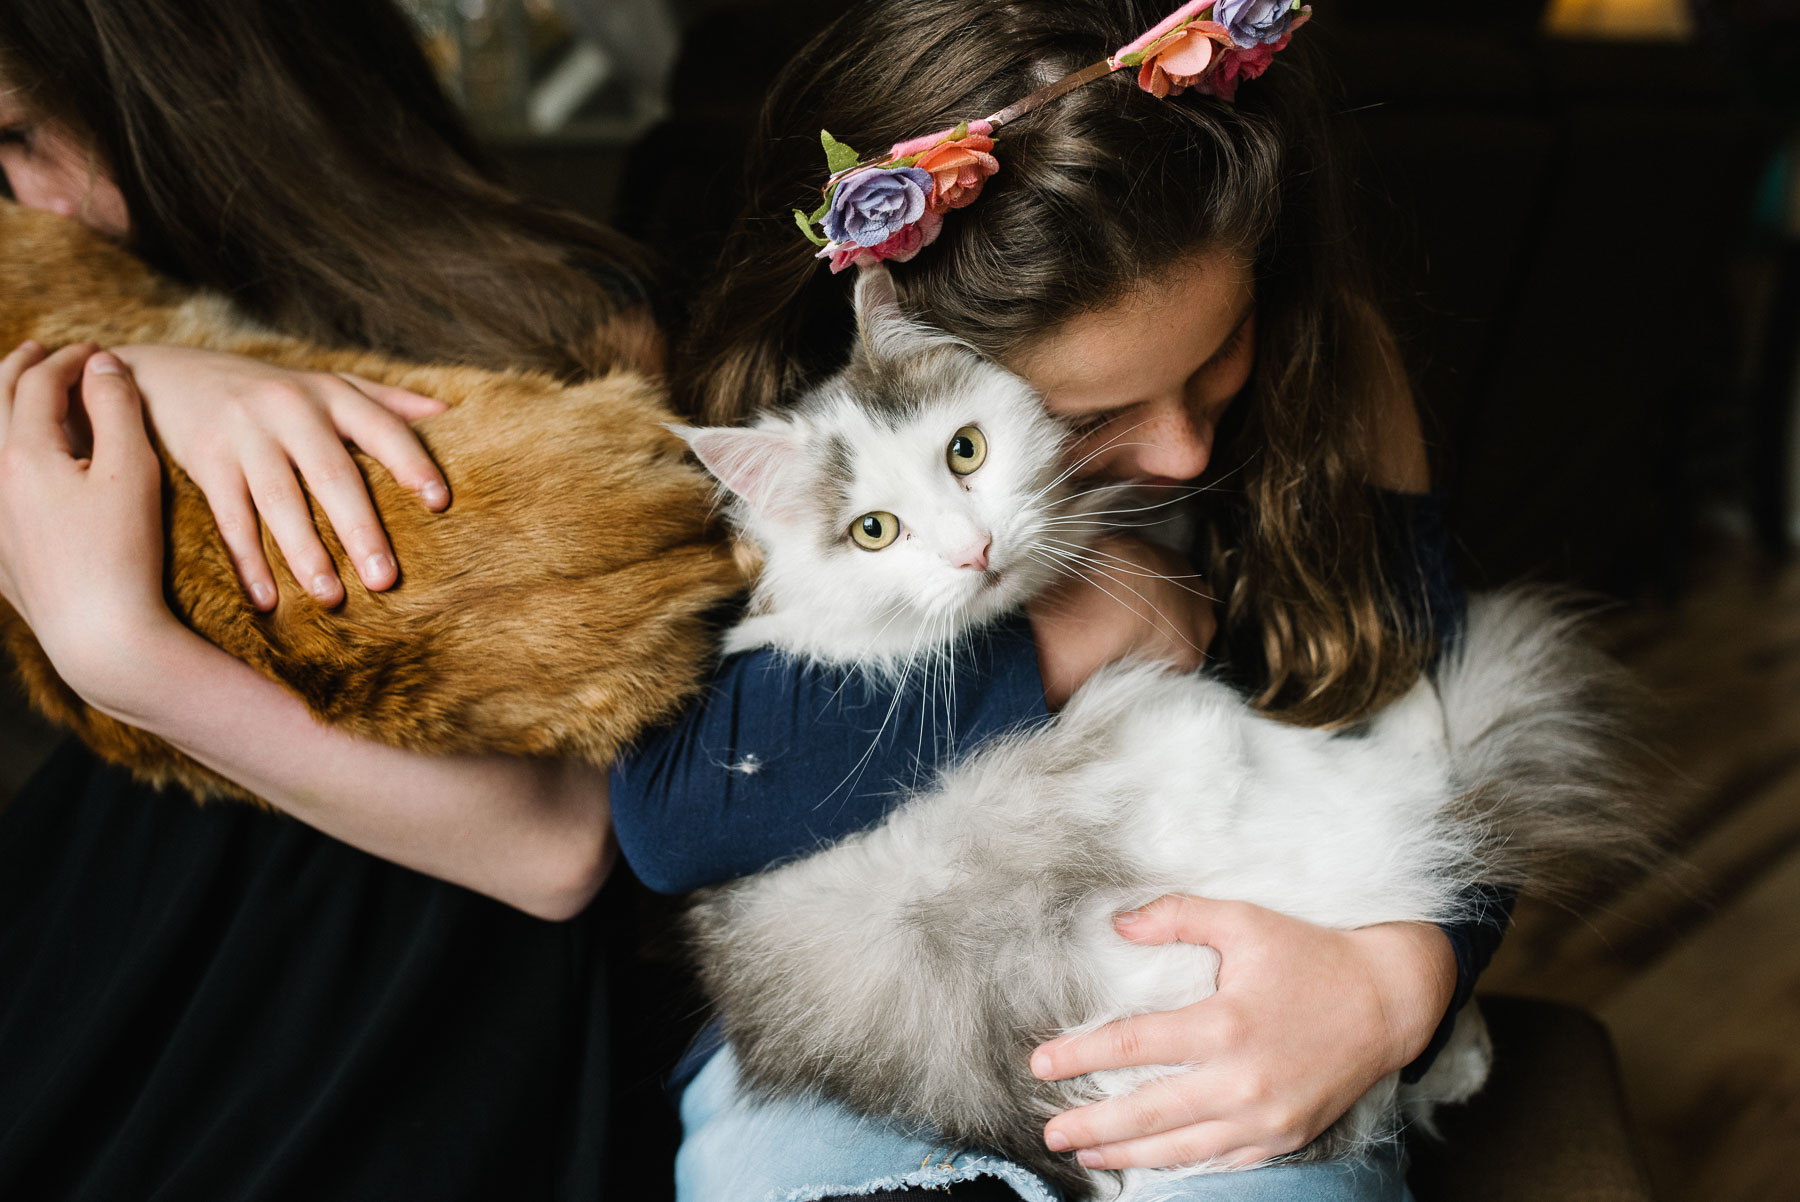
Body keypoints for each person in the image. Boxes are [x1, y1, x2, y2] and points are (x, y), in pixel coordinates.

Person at [606, 1, 1511, 1198]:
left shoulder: (1335, 370)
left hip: (1236, 958)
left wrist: (1403, 982)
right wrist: (1076, 623)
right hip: (873, 1024)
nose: (1184, 452)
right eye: (1090, 419)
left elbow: (1439, 726)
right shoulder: (804, 456)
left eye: (1217, 351)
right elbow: (671, 817)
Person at [0, 2, 686, 1197]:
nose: (30, 202)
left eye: (24, 137)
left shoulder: (559, 319)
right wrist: (148, 369)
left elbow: (563, 846)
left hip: (393, 980)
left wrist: (122, 652)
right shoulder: (86, 331)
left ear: (186, 84)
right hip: (121, 924)